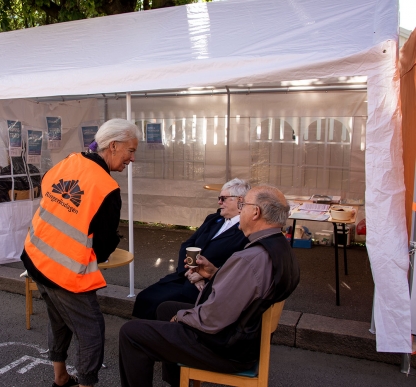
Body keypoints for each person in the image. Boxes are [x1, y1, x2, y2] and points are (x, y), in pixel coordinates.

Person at [119, 185, 300, 387]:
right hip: (244, 336)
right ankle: (178, 383)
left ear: (256, 212)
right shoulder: (280, 247)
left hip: (226, 348)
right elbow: (245, 289)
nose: (240, 210)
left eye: (243, 205)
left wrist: (182, 318)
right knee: (165, 308)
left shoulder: (249, 258)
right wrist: (214, 273)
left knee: (132, 333)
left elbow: (212, 319)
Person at [21, 118, 140, 387]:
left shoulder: (69, 161)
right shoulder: (107, 188)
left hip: (35, 254)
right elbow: (104, 245)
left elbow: (48, 194)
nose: (132, 158)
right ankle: (85, 384)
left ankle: (61, 378)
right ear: (113, 146)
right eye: (130, 151)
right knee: (91, 332)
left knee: (59, 320)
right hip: (64, 269)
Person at [132, 178, 251, 320]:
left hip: (209, 287)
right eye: (219, 198)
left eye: (223, 198)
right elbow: (188, 245)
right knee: (145, 297)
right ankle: (142, 337)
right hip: (186, 276)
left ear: (240, 201)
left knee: (160, 305)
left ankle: (154, 337)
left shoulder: (246, 230)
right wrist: (190, 271)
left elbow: (237, 264)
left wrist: (205, 275)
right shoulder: (214, 219)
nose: (219, 202)